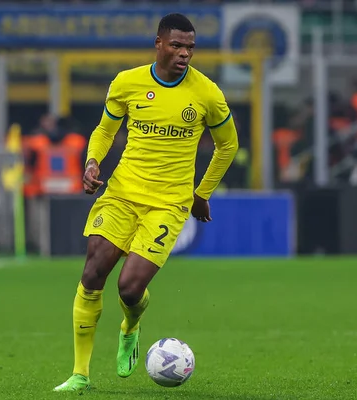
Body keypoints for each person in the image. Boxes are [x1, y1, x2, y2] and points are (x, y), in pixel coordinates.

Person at [53, 13, 239, 392]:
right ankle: (80, 374)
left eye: (190, 46)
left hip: (168, 204)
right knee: (92, 274)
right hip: (122, 192)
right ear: (158, 43)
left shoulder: (207, 93)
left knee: (129, 288)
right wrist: (92, 162)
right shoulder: (127, 82)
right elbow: (106, 129)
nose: (184, 53)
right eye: (176, 45)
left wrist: (201, 193)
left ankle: (130, 326)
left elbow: (228, 145)